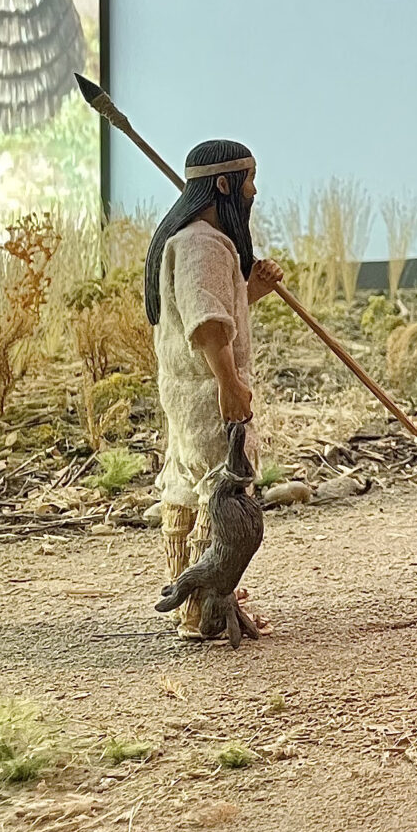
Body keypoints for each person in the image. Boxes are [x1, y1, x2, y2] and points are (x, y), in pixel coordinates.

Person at [145, 140, 284, 639]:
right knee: (217, 492)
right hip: (207, 395)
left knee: (188, 484)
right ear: (223, 185)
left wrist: (252, 292)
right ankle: (206, 606)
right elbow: (206, 326)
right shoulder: (202, 243)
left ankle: (193, 604)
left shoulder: (193, 240)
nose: (254, 191)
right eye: (248, 180)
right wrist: (229, 384)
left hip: (189, 393)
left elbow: (217, 311)